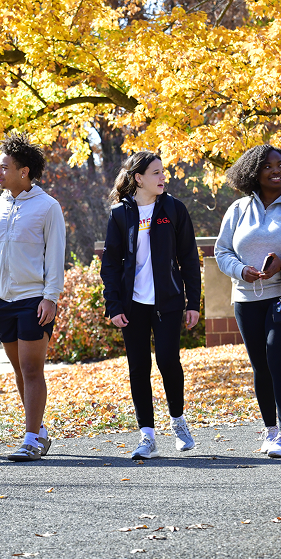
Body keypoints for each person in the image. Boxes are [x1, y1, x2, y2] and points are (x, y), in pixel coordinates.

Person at [0, 134, 65, 462]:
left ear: (24, 172)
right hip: (2, 301)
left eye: (3, 167)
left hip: (34, 299)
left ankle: (31, 439)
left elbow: (56, 256)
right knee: (21, 371)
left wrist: (51, 297)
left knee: (32, 369)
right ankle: (39, 432)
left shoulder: (47, 207)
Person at [215, 146, 281, 458]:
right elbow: (223, 252)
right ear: (254, 173)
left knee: (278, 359)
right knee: (260, 366)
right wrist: (241, 270)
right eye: (268, 166)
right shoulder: (237, 210)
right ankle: (270, 431)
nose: (277, 171)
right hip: (246, 298)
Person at [100, 152, 202, 460]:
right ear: (139, 178)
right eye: (156, 173)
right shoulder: (120, 214)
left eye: (163, 172)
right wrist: (114, 305)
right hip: (133, 306)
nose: (162, 177)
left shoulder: (173, 209)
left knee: (169, 361)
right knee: (138, 368)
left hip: (168, 302)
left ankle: (178, 420)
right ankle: (147, 436)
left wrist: (192, 302)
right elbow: (111, 265)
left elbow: (188, 259)